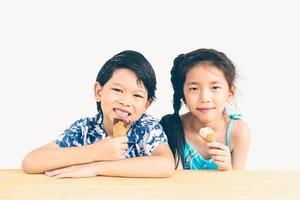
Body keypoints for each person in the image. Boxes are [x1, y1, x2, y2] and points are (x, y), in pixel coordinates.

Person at [22, 50, 175, 178]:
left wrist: (96, 168)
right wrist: (94, 152)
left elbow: (166, 165)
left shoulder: (147, 128)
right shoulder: (85, 129)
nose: (126, 101)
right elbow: (31, 162)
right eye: (117, 90)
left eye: (137, 96)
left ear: (147, 105)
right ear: (99, 92)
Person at [160, 48, 251, 170]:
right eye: (194, 89)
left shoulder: (238, 132)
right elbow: (176, 183)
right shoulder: (172, 128)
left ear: (230, 92)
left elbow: (239, 184)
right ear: (182, 95)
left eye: (215, 87)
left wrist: (228, 169)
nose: (205, 98)